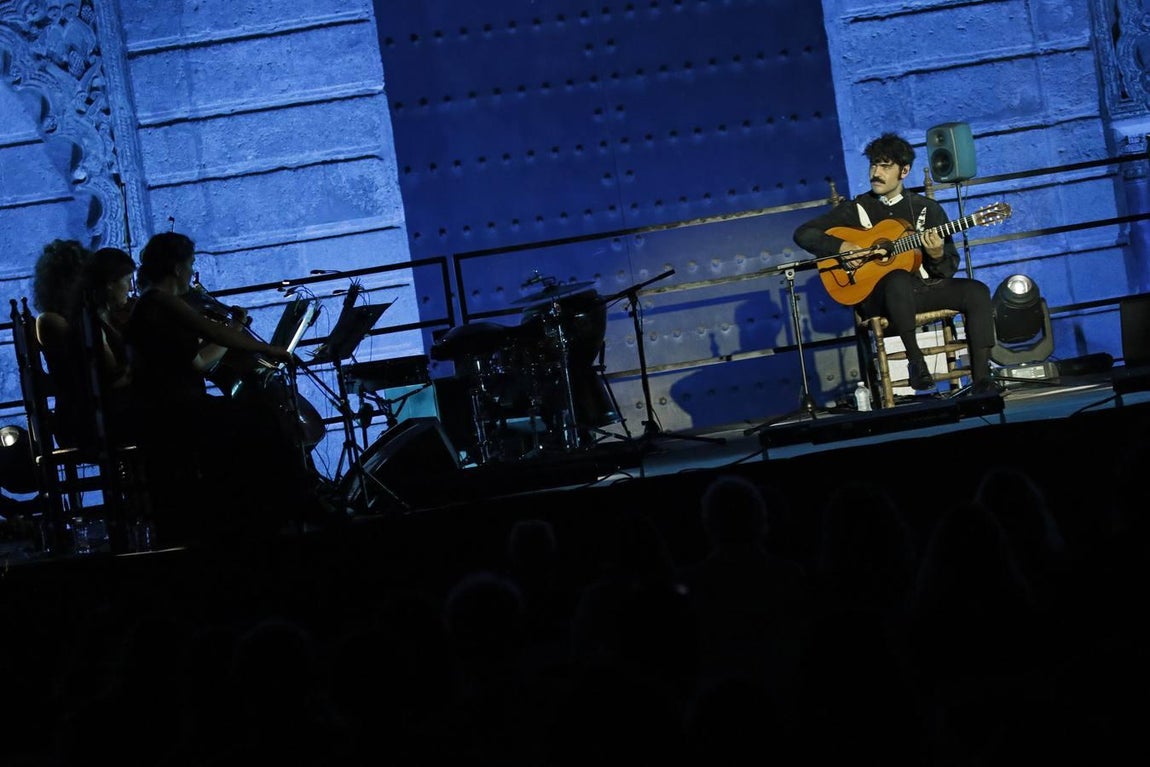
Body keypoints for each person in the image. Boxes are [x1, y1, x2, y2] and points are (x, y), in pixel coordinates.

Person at [122, 231, 315, 543]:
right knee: (261, 420)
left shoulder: (149, 304)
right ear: (176, 268)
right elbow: (210, 335)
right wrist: (268, 349)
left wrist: (234, 328)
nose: (192, 274)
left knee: (250, 421)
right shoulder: (160, 300)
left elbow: (198, 359)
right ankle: (294, 503)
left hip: (171, 408)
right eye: (191, 265)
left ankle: (276, 507)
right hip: (177, 411)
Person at [793, 132, 997, 393]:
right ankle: (916, 362)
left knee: (976, 291)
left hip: (919, 290)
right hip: (877, 298)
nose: (875, 173)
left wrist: (935, 255)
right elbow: (803, 234)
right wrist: (842, 246)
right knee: (897, 278)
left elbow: (946, 269)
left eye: (885, 166)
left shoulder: (926, 209)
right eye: (874, 165)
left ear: (904, 170)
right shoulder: (856, 209)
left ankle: (982, 380)